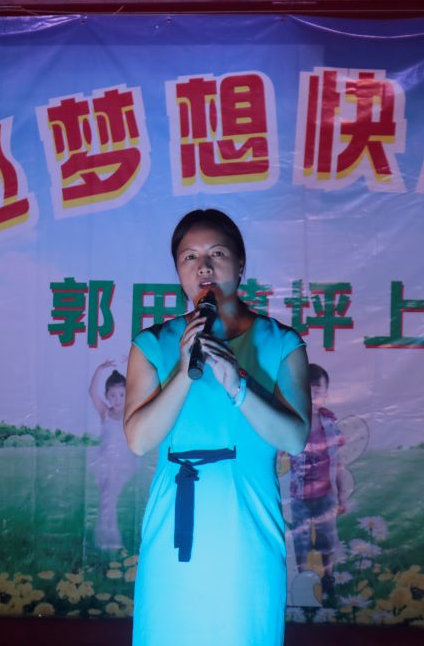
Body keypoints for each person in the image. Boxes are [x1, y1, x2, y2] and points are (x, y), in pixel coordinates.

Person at [125, 209, 310, 646]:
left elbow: (294, 439)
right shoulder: (152, 344)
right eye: (190, 257)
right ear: (178, 271)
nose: (203, 267)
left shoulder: (281, 342)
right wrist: (183, 369)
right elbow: (138, 440)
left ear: (241, 264)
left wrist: (238, 384)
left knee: (242, 629)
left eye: (217, 254)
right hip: (174, 520)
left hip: (246, 521)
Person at [287, 363, 347, 601]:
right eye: (306, 390)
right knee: (300, 541)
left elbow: (338, 463)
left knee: (327, 540)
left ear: (325, 394)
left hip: (326, 494)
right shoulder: (290, 422)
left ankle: (328, 578)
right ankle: (303, 580)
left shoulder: (331, 425)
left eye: (316, 390)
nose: (311, 396)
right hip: (298, 496)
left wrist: (342, 495)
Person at [88, 359, 139, 550]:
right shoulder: (105, 413)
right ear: (107, 397)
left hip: (123, 463)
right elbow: (92, 392)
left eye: (122, 395)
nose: (118, 400)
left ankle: (109, 539)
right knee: (107, 499)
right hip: (105, 462)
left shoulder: (130, 413)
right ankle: (107, 539)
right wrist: (99, 369)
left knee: (110, 499)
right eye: (113, 395)